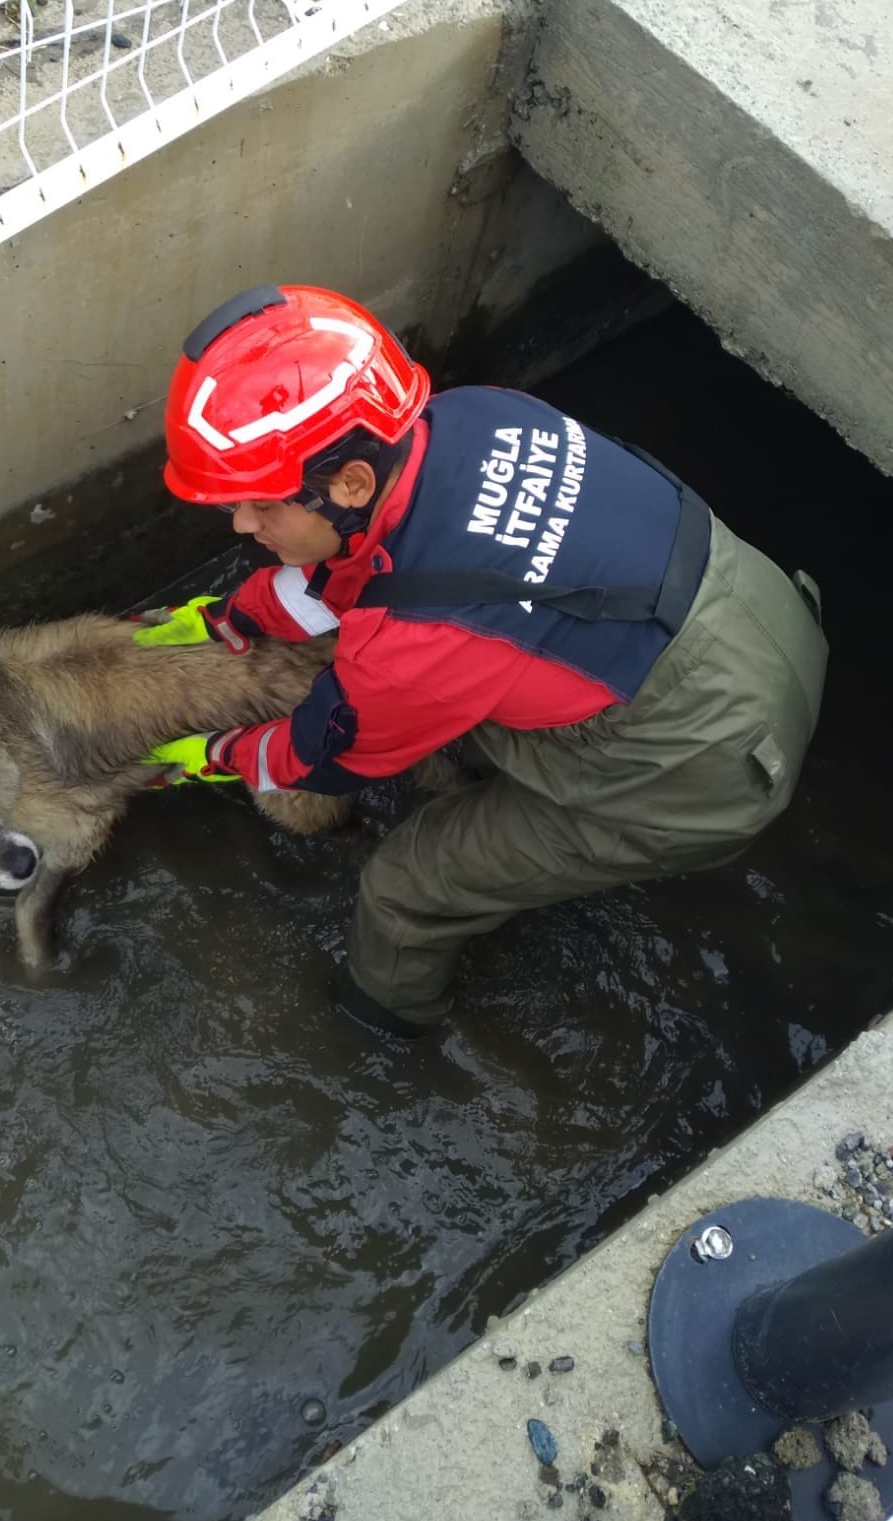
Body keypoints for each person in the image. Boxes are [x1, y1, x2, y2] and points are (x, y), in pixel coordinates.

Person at [137, 283, 828, 1038]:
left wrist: (215, 752)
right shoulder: (473, 413)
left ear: (352, 482)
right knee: (452, 678)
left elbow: (318, 757)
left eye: (261, 503)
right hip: (761, 610)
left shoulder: (411, 647)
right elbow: (375, 567)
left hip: (705, 770)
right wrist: (238, 614)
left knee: (405, 887)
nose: (240, 523)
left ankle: (382, 1026)